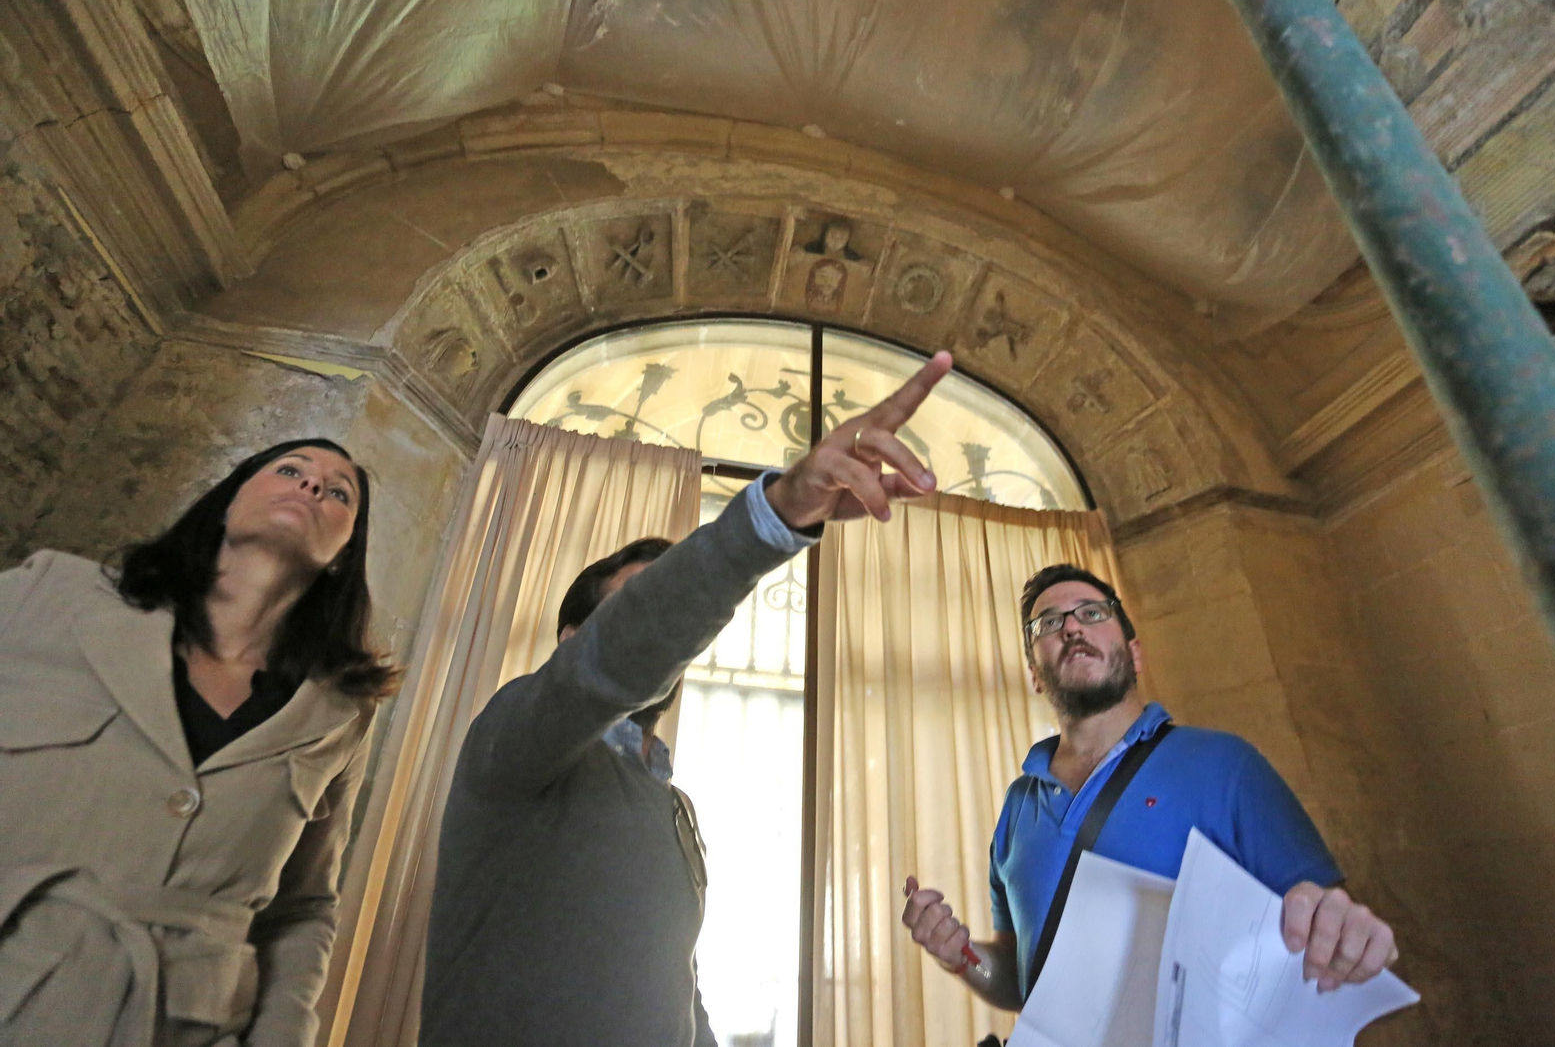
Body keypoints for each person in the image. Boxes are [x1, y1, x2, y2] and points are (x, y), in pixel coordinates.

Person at [421, 351, 955, 1047]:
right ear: (573, 639)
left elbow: (677, 986)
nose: (666, 631)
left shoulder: (673, 805)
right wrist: (773, 516)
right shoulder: (515, 740)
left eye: (671, 609)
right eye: (634, 609)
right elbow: (615, 660)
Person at [0, 438, 396, 1047]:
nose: (312, 485)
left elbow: (303, 907)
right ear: (228, 501)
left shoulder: (341, 712)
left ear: (344, 555)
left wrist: (282, 1036)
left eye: (338, 492)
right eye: (290, 469)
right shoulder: (51, 593)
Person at [900, 564, 1398, 1012]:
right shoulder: (1017, 805)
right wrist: (960, 956)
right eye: (1048, 623)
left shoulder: (1224, 764)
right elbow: (1019, 979)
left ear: (1134, 654)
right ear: (1034, 673)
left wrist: (1341, 929)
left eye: (1091, 613)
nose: (1071, 627)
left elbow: (1327, 928)